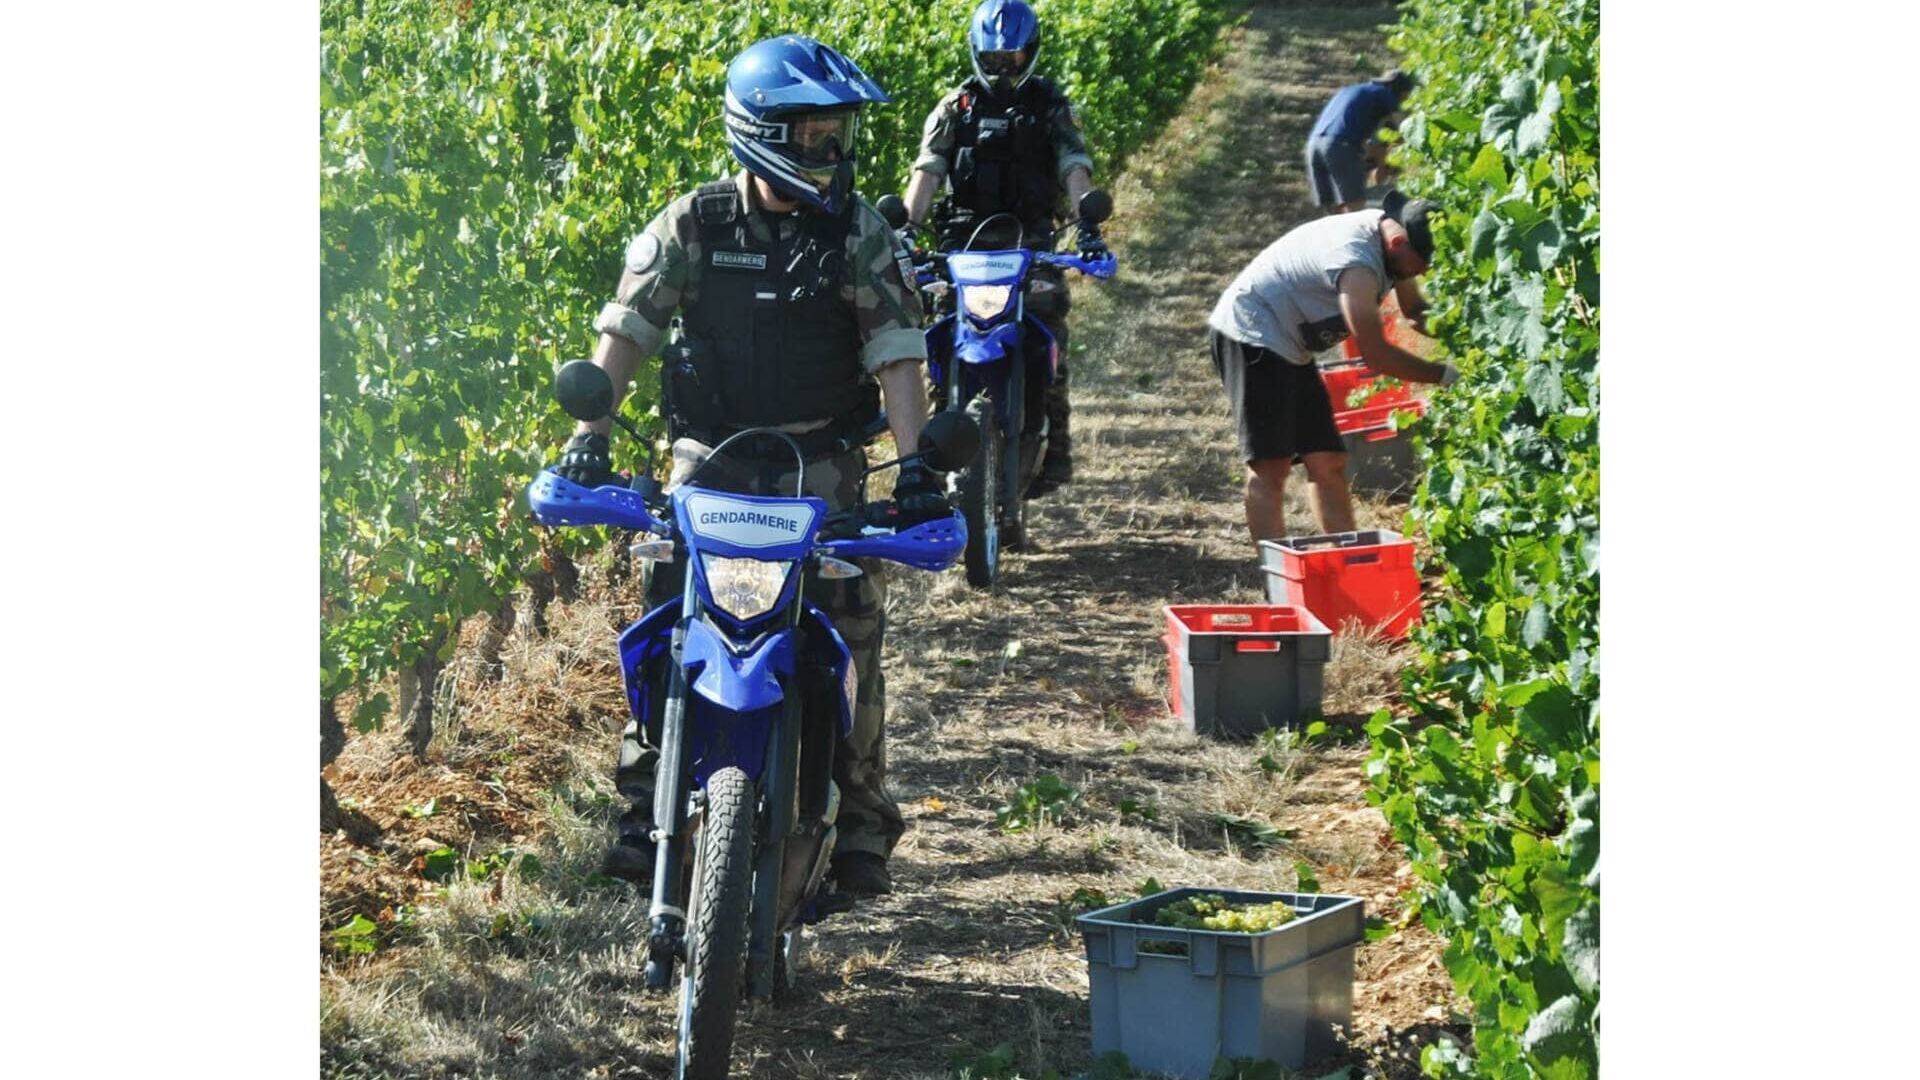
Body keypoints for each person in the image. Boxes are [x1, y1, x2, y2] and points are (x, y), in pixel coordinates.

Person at [549, 35, 946, 899]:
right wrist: (592, 429)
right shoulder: (693, 222)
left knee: (852, 626)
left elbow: (899, 353)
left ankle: (863, 826)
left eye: (839, 135)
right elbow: (628, 330)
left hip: (822, 464)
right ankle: (639, 802)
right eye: (817, 136)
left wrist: (915, 467)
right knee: (668, 620)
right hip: (710, 461)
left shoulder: (861, 233)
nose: (834, 154)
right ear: (763, 131)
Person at [898, 0, 1107, 499]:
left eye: (1012, 58)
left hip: (1032, 243)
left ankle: (1056, 448)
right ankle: (932, 457)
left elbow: (1074, 164)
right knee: (942, 339)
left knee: (1047, 332)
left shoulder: (1052, 104)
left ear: (1030, 54)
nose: (1002, 67)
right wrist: (906, 227)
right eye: (992, 59)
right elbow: (927, 171)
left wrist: (1088, 222)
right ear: (976, 54)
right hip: (963, 246)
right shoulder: (955, 107)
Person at [1206, 200, 1459, 546]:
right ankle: (1274, 577)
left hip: (1291, 343)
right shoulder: (1356, 264)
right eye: (1424, 263)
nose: (1425, 272)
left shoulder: (1393, 242)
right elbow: (1377, 355)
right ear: (1400, 243)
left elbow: (1414, 310)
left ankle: (1350, 560)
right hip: (1251, 330)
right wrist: (1444, 375)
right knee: (1271, 466)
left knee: (1328, 460)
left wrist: (1467, 337)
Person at [1306, 71, 1416, 214]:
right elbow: (1403, 129)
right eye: (1405, 97)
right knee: (1355, 204)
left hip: (1314, 145)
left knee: (1332, 207)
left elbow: (1370, 139)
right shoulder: (1384, 93)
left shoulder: (1351, 91)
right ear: (1399, 90)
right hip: (1340, 145)